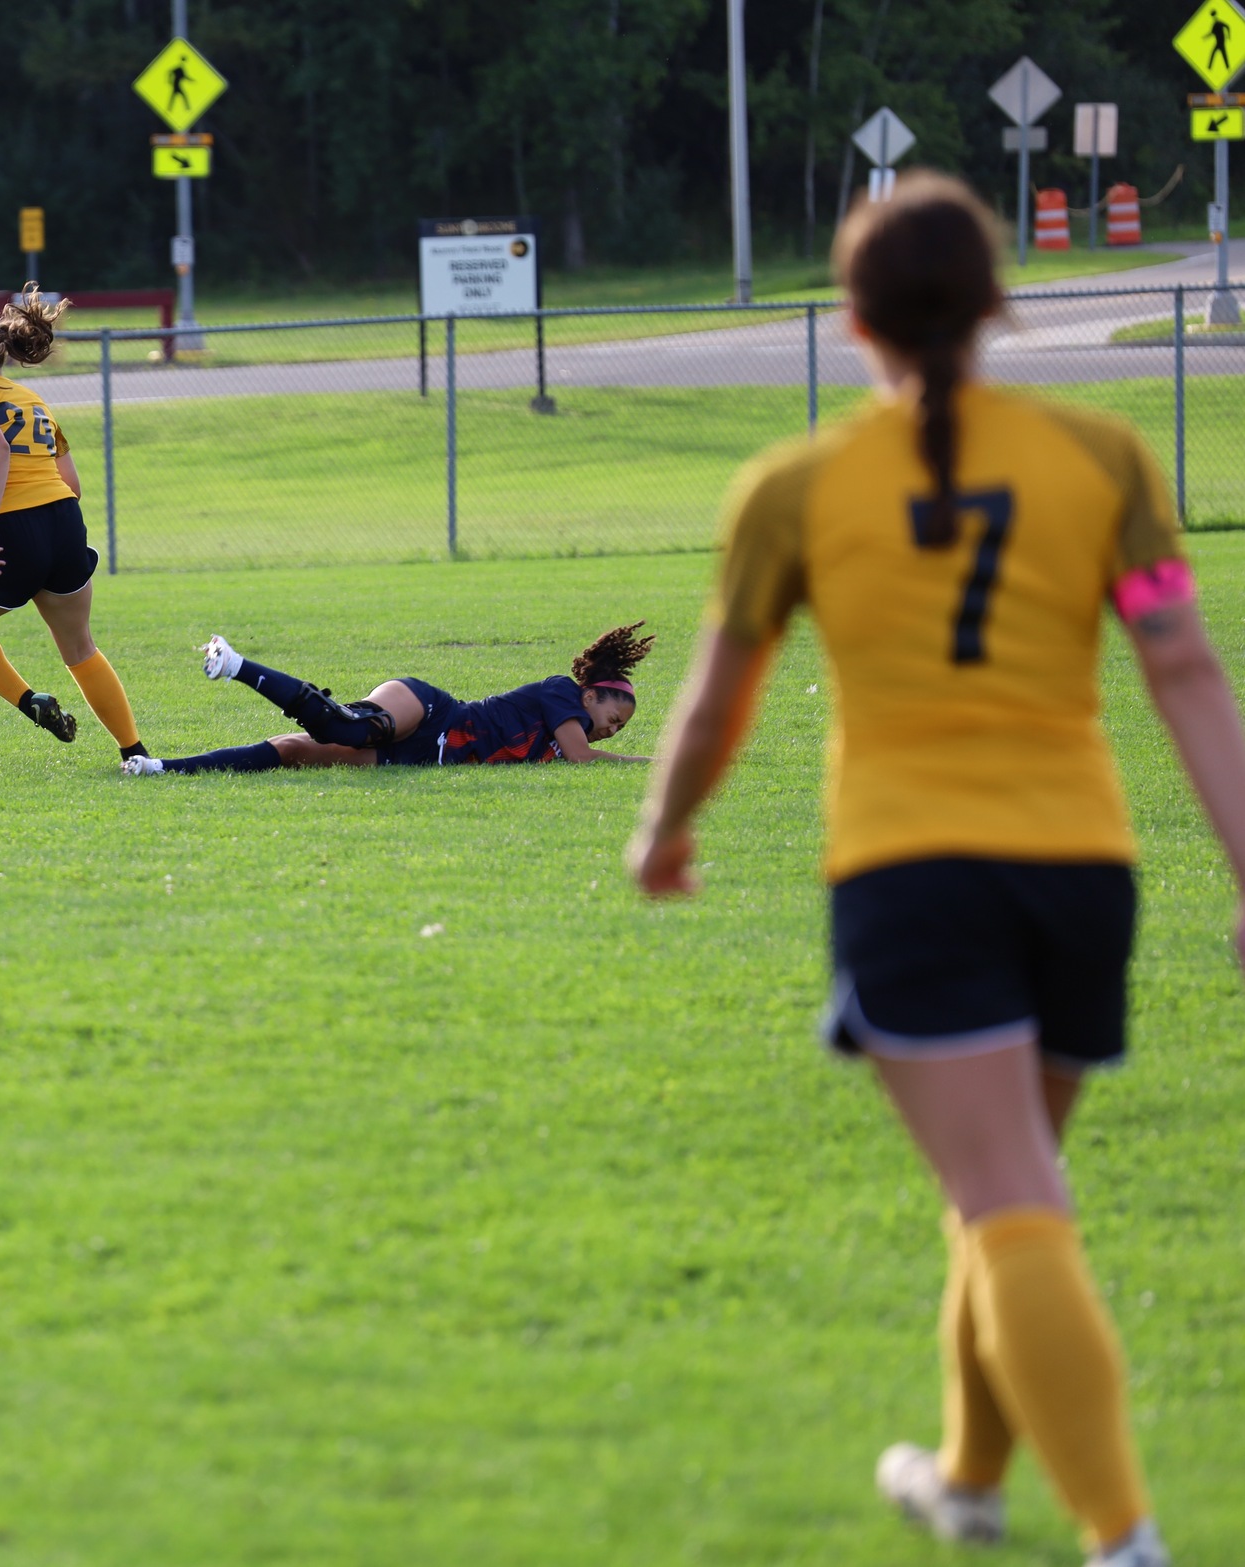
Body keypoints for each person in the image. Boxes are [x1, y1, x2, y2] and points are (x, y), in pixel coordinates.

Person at [627, 172, 1245, 1567]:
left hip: (913, 871)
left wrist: (661, 827)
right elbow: (1183, 664)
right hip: (1080, 868)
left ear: (851, 319)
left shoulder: (790, 487)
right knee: (1004, 1180)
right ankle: (963, 1476)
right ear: (995, 303)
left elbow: (717, 694)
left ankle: (1122, 1536)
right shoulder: (1099, 457)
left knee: (1007, 1197)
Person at [0, 287, 147, 762]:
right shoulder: (33, 400)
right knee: (80, 647)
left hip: (13, 530)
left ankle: (30, 702)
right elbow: (71, 483)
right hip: (65, 522)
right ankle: (135, 753)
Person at [122, 623, 652, 773]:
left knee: (295, 752)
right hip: (431, 711)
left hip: (420, 756)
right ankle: (236, 664)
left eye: (619, 731)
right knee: (350, 729)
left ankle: (160, 767)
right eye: (613, 718)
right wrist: (646, 761)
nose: (611, 730)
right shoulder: (562, 694)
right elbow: (582, 757)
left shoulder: (568, 733)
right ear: (589, 695)